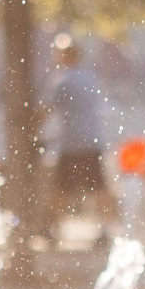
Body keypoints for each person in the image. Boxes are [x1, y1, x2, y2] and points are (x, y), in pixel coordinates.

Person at [45, 33, 115, 239]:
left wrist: (29, 128)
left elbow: (47, 110)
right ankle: (106, 228)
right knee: (99, 187)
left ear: (64, 55)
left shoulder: (62, 80)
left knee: (61, 188)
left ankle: (53, 230)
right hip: (93, 140)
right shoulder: (89, 77)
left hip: (71, 143)